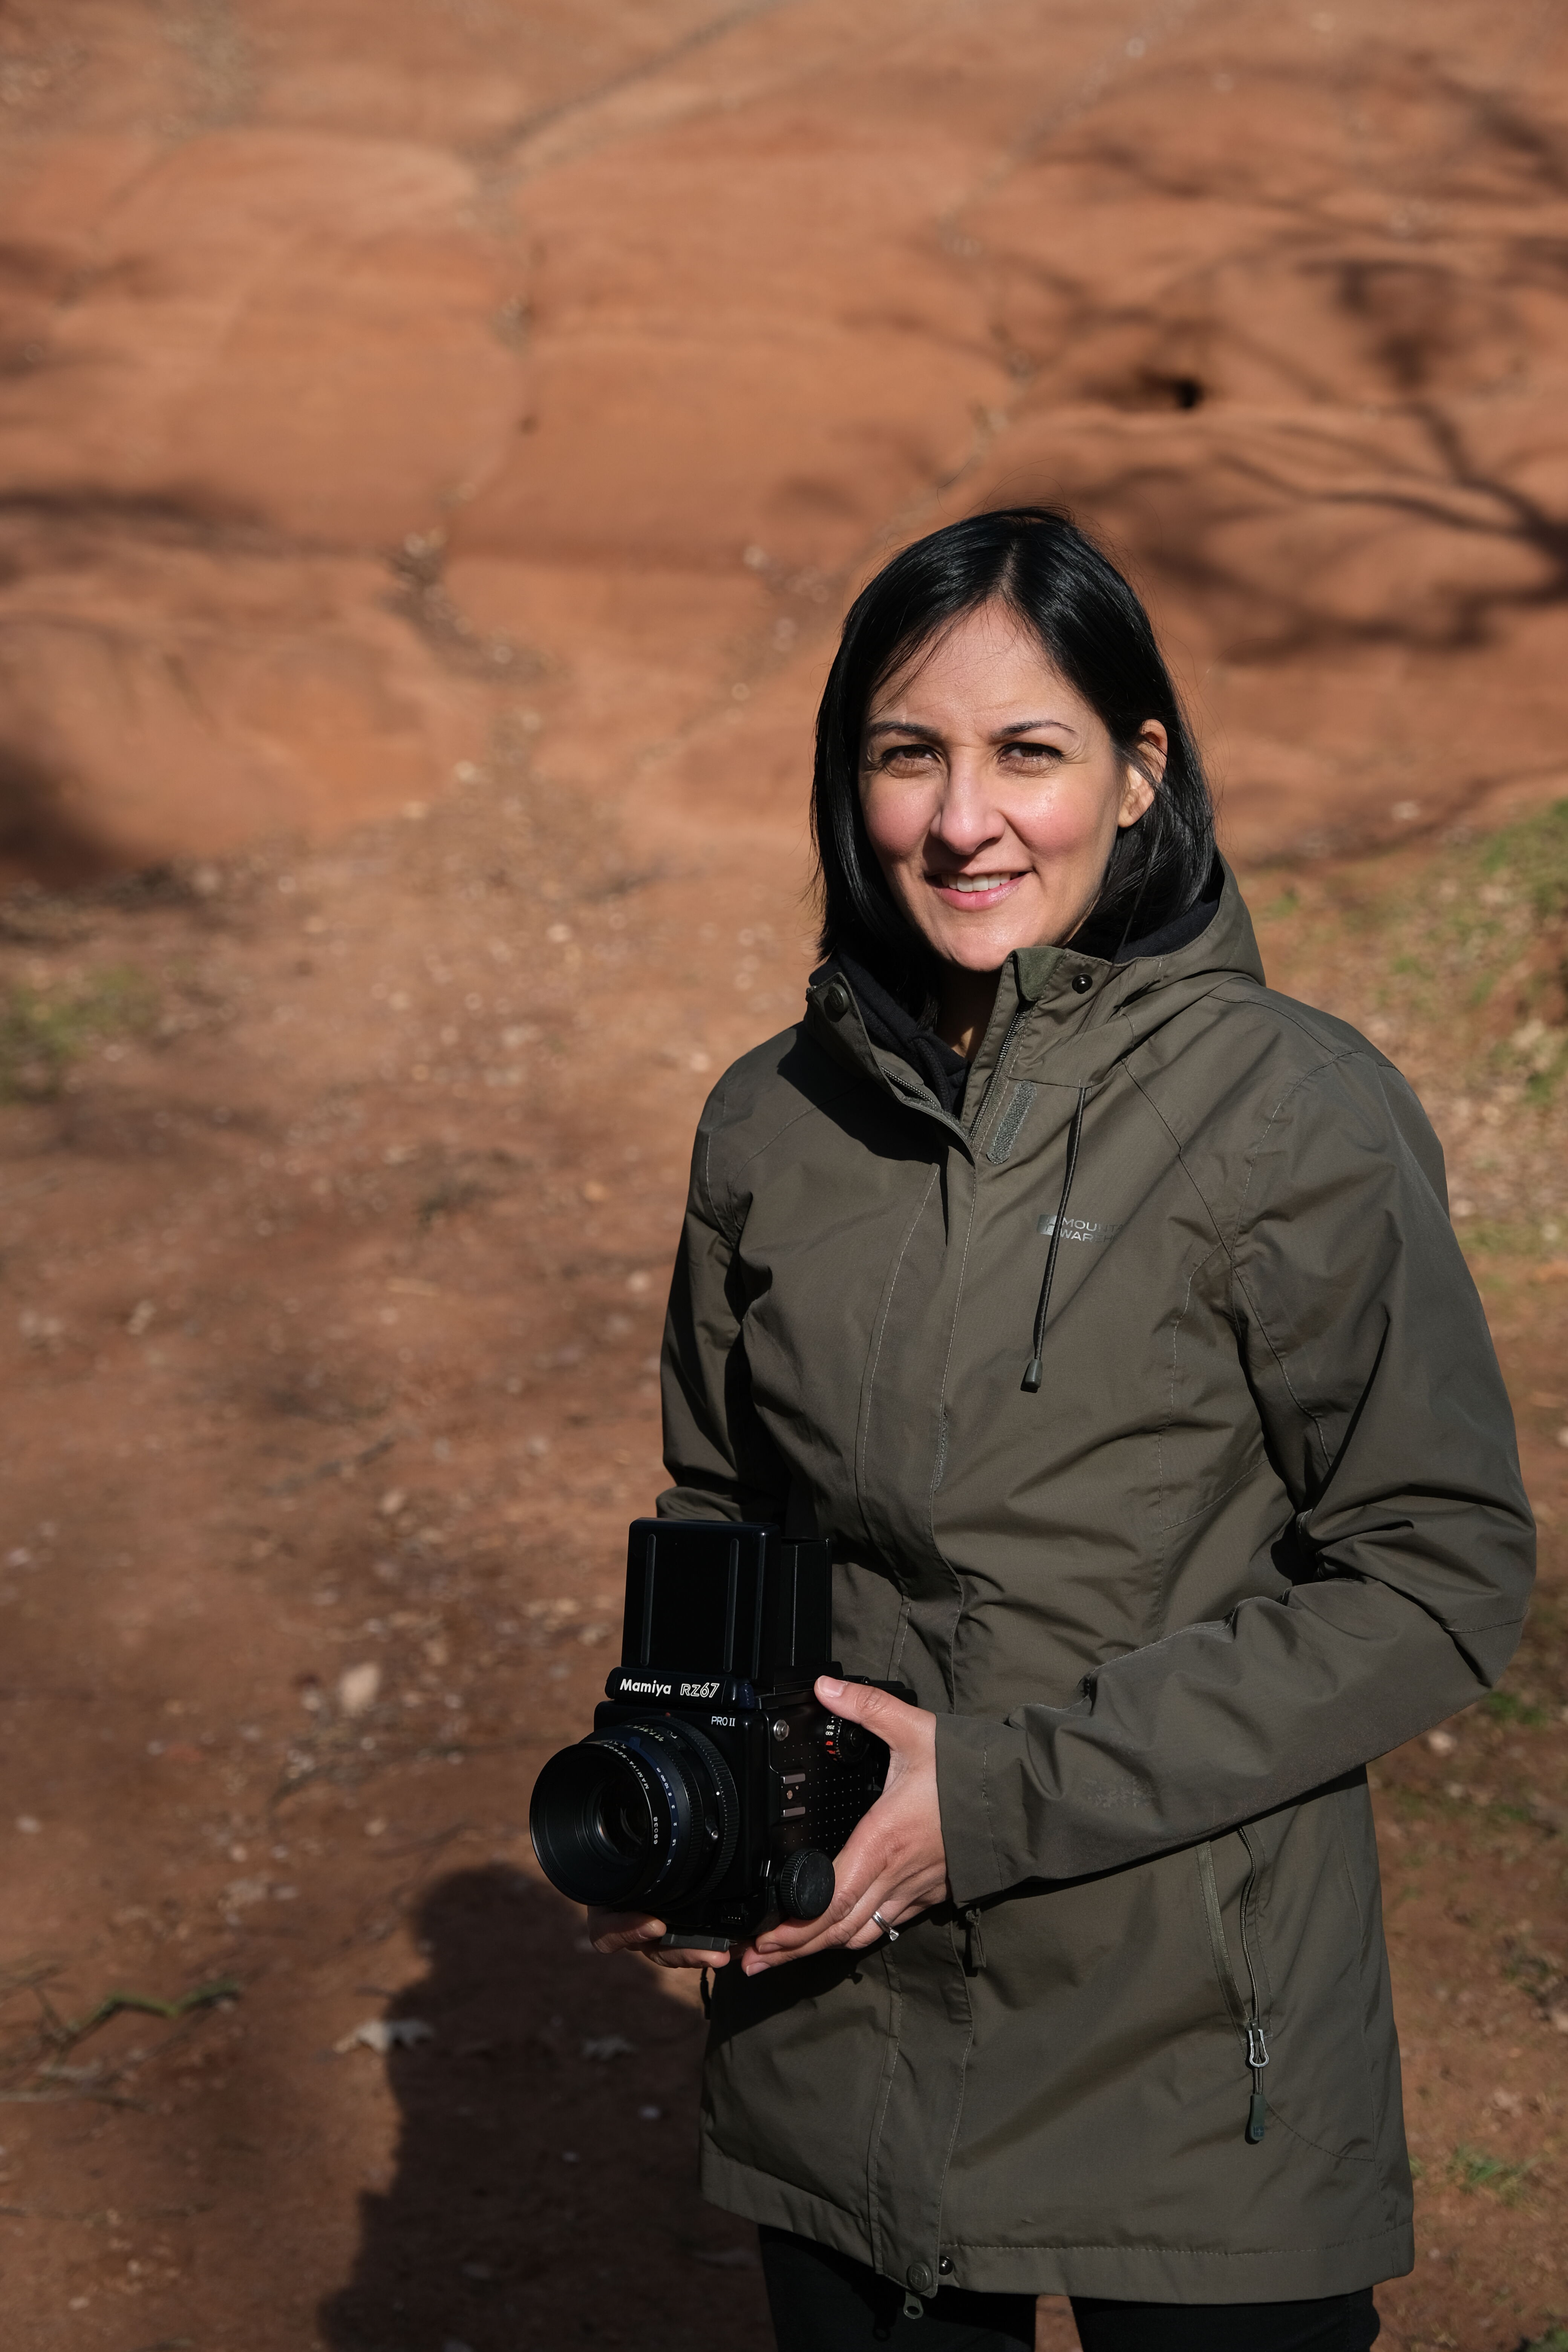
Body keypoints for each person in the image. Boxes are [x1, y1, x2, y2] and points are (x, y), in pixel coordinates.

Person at [589, 508, 1534, 2351]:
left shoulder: (1291, 1114)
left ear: (1136, 773)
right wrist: (694, 1796)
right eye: (907, 755)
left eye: (1027, 751)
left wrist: (987, 1802)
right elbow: (719, 1504)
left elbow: (1435, 1574)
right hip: (841, 2029)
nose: (964, 822)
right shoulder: (770, 1123)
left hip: (1195, 2052)